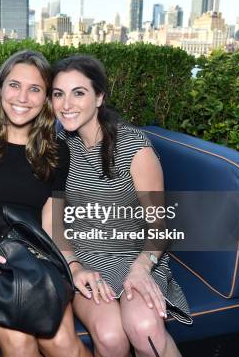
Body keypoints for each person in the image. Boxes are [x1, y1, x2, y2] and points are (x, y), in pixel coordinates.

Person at [0, 50, 91, 357]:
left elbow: (53, 224)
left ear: (46, 100)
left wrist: (72, 266)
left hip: (34, 256)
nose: (22, 97)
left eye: (35, 89)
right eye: (14, 85)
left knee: (63, 343)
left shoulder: (57, 151)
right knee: (19, 344)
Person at [51, 55, 191, 357]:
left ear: (99, 97)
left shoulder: (134, 147)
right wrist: (73, 267)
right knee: (110, 335)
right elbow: (54, 220)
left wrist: (142, 267)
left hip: (135, 255)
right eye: (58, 94)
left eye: (79, 92)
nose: (66, 104)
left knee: (144, 327)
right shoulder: (58, 145)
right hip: (83, 259)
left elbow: (159, 225)